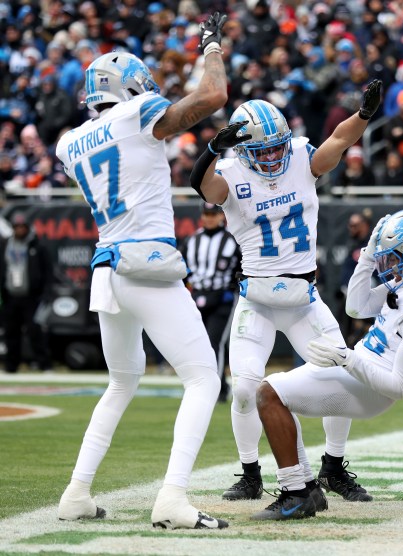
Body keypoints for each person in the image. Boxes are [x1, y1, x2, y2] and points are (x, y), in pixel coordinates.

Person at [54, 13, 230, 530]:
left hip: (107, 270)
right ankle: (173, 498)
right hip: (146, 263)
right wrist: (212, 46)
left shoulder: (69, 142)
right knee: (202, 379)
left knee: (121, 382)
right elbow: (212, 96)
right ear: (131, 87)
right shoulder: (136, 113)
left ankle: (76, 493)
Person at [189, 79, 384, 506]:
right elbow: (201, 186)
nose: (275, 155)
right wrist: (211, 150)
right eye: (264, 150)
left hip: (303, 297)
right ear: (240, 150)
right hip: (256, 300)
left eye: (278, 146)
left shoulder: (299, 157)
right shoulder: (229, 173)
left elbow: (337, 140)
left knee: (341, 376)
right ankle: (250, 472)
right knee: (244, 388)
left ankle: (333, 467)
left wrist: (364, 115)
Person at [251, 209, 403, 519]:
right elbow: (357, 307)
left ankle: (296, 493)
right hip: (360, 370)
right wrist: (368, 257)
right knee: (276, 392)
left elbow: (399, 386)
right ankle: (308, 488)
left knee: (269, 394)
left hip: (372, 387)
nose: (388, 264)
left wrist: (347, 358)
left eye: (393, 256)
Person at [181, 202, 241, 403]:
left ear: (221, 215)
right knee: (197, 344)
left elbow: (242, 267)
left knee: (215, 343)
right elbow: (182, 269)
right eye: (206, 214)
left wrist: (233, 288)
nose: (209, 218)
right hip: (197, 296)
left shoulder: (232, 240)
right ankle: (200, 385)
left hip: (222, 297)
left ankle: (220, 389)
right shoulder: (192, 240)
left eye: (213, 214)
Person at [0, 212, 53, 373]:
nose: (20, 230)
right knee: (11, 332)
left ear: (28, 227)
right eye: (17, 226)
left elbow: (48, 272)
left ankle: (45, 365)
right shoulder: (5, 245)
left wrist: (46, 293)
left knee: (35, 330)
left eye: (23, 226)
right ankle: (11, 366)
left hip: (31, 297)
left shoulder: (37, 246)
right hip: (10, 296)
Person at [338, 211, 374, 347]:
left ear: (364, 225)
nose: (350, 228)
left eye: (354, 225)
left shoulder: (372, 244)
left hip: (367, 296)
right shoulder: (352, 243)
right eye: (350, 225)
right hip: (350, 295)